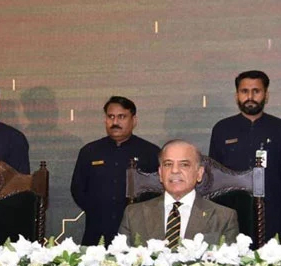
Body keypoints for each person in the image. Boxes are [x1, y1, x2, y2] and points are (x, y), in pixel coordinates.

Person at [208, 70, 281, 247]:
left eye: (256, 91)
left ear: (266, 95)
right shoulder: (222, 129)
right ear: (237, 95)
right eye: (245, 91)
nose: (250, 96)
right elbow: (213, 182)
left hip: (273, 218)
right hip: (231, 219)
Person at [70, 96, 160, 246]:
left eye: (122, 117)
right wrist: (97, 210)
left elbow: (159, 191)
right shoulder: (89, 151)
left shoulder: (150, 152)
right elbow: (77, 189)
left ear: (134, 120)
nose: (115, 122)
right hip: (97, 231)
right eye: (111, 117)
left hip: (138, 232)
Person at [119, 139, 239, 247]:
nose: (175, 170)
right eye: (168, 164)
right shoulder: (133, 215)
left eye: (184, 165)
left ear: (199, 173)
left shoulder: (223, 218)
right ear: (160, 173)